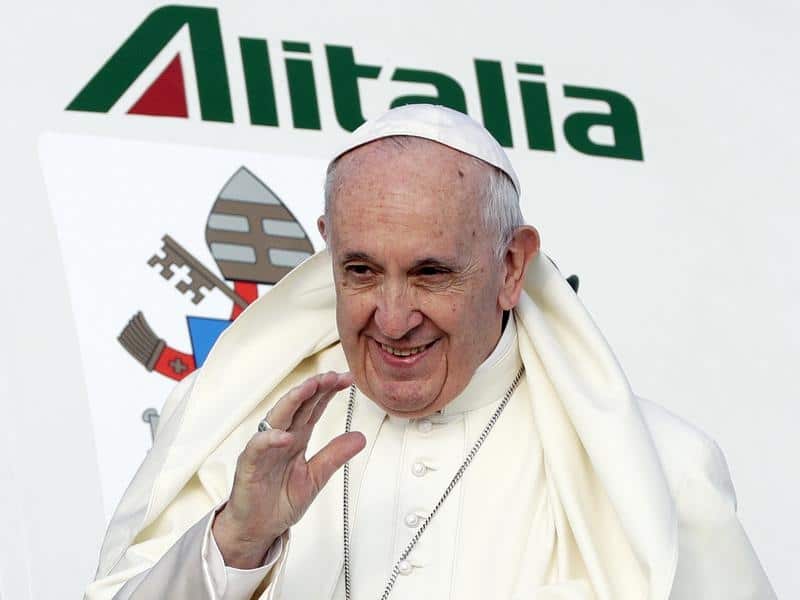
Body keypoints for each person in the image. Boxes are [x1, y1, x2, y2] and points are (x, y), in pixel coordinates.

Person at [85, 104, 775, 600]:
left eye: (430, 273)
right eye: (359, 271)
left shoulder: (660, 466)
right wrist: (234, 546)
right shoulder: (236, 432)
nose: (391, 318)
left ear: (511, 265)